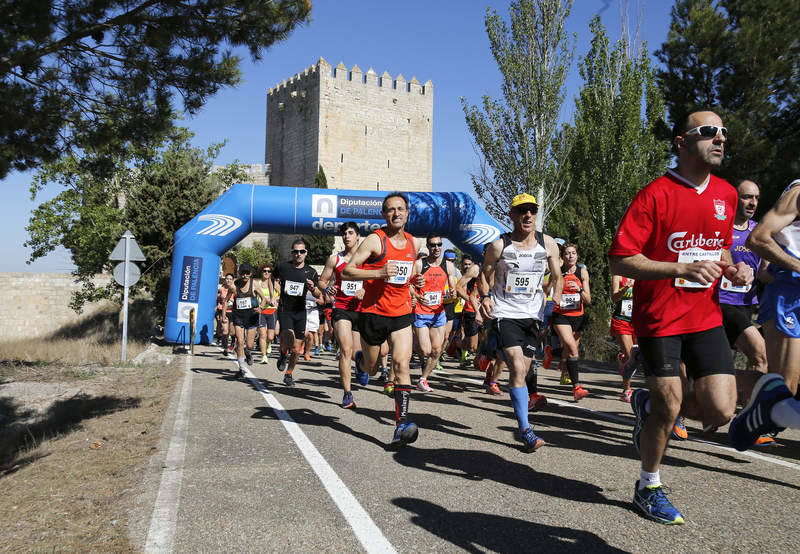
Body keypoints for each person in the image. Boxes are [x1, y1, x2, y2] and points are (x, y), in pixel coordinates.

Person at [609, 109, 753, 524]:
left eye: (724, 132)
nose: (720, 138)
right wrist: (678, 268)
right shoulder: (655, 194)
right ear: (682, 142)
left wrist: (731, 268)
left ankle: (647, 407)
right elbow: (620, 260)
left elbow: (720, 248)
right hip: (659, 318)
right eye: (709, 132)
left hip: (705, 316)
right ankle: (648, 485)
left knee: (721, 411)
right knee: (669, 407)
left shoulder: (726, 194)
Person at [479, 193, 562, 453]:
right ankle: (525, 429)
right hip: (506, 312)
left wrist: (553, 302)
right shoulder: (499, 246)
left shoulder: (547, 244)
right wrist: (484, 297)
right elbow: (484, 275)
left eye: (532, 211)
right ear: (512, 215)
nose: (527, 215)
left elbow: (558, 276)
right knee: (516, 367)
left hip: (533, 315)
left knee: (524, 371)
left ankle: (493, 349)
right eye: (522, 211)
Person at [343, 192, 425, 447]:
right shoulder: (375, 241)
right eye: (391, 210)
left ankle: (401, 425)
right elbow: (347, 270)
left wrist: (416, 281)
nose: (396, 213)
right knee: (373, 368)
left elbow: (407, 275)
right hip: (373, 314)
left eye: (400, 209)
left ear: (407, 213)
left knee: (401, 365)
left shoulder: (414, 244)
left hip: (401, 313)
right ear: (384, 214)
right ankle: (361, 361)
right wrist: (378, 272)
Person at [728, 178, 800, 451]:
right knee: (781, 382)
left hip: (766, 297)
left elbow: (765, 271)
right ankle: (707, 381)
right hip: (783, 296)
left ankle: (748, 413)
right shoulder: (797, 192)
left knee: (788, 389)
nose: (752, 202)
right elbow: (757, 240)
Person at [318, 222, 367, 409]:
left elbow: (374, 281)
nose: (347, 236)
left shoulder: (366, 259)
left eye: (351, 233)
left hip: (361, 310)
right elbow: (322, 281)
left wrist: (365, 291)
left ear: (358, 236)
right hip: (341, 309)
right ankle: (347, 394)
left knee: (356, 354)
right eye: (344, 233)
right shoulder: (334, 259)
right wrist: (327, 287)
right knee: (345, 350)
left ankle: (361, 365)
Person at [273, 238, 322, 387]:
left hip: (301, 311)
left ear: (306, 253)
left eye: (301, 251)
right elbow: (272, 279)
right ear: (292, 253)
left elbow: (319, 294)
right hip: (285, 309)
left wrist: (313, 288)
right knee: (289, 336)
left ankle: (289, 374)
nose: (298, 254)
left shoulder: (311, 272)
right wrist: (274, 291)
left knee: (296, 349)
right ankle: (283, 352)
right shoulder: (283, 267)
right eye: (295, 251)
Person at [412, 234, 457, 392]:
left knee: (437, 350)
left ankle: (423, 379)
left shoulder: (448, 266)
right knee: (425, 350)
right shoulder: (419, 264)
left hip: (438, 313)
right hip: (421, 312)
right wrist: (418, 296)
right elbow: (408, 285)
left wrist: (452, 293)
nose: (436, 248)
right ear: (428, 246)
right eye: (433, 245)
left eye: (439, 245)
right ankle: (413, 344)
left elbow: (452, 289)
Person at [551, 243, 591, 400]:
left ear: (577, 255)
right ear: (562, 257)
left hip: (578, 317)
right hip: (561, 316)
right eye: (567, 253)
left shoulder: (582, 272)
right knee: (573, 349)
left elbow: (588, 300)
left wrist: (579, 289)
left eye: (573, 253)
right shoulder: (558, 273)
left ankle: (552, 353)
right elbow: (546, 289)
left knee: (570, 351)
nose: (570, 256)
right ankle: (577, 388)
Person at [226, 263, 265, 378]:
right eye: (242, 273)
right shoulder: (234, 286)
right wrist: (224, 313)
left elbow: (263, 299)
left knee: (249, 345)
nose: (245, 275)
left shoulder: (255, 284)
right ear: (239, 274)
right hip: (239, 317)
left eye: (247, 273)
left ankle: (248, 352)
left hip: (252, 317)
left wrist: (261, 308)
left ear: (250, 274)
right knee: (240, 341)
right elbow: (226, 299)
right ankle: (241, 369)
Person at [610, 274, 636, 402]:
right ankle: (627, 390)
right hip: (622, 320)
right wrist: (624, 289)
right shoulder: (618, 276)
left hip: (638, 321)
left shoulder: (643, 274)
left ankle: (623, 360)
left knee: (638, 357)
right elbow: (614, 298)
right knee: (630, 355)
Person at [257, 264, 278, 363]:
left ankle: (268, 344)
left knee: (270, 336)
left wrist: (274, 299)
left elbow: (281, 295)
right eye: (264, 271)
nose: (266, 273)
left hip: (272, 311)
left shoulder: (275, 284)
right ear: (261, 272)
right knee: (262, 334)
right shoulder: (257, 283)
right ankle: (264, 356)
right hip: (261, 311)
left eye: (269, 271)